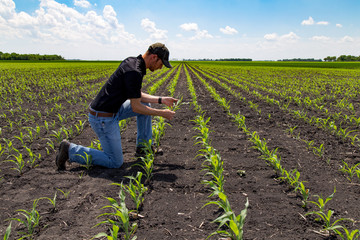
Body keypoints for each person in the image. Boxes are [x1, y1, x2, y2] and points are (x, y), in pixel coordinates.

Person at [56, 42, 178, 170]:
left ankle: (143, 148)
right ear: (154, 57)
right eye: (161, 64)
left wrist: (161, 100)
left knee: (145, 104)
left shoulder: (132, 62)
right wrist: (162, 113)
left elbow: (136, 94)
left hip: (111, 110)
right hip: (103, 118)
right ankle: (70, 150)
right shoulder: (135, 72)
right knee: (114, 162)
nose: (160, 68)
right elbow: (136, 107)